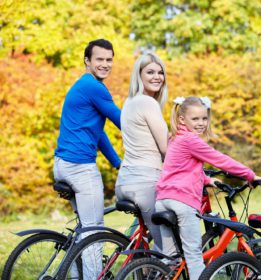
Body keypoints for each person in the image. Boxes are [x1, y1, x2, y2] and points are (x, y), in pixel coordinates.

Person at [155, 96, 261, 280]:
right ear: (182, 119)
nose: (201, 123)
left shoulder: (175, 138)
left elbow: (182, 168)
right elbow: (220, 160)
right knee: (193, 255)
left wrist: (207, 180)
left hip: (162, 201)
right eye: (195, 119)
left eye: (204, 118)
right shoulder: (191, 140)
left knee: (171, 259)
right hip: (182, 202)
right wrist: (250, 175)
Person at [53, 39, 121, 278]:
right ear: (87, 62)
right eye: (99, 59)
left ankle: (74, 276)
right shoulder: (95, 87)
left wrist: (117, 163)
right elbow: (121, 120)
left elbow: (98, 132)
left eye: (109, 59)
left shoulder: (83, 86)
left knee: (84, 229)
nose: (105, 64)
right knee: (95, 233)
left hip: (62, 165)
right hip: (80, 168)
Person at [116, 53, 169, 251]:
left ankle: (145, 268)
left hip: (126, 181)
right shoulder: (148, 103)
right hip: (145, 182)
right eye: (150, 72)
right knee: (171, 250)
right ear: (139, 75)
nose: (157, 76)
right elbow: (166, 149)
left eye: (160, 72)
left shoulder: (129, 102)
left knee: (150, 239)